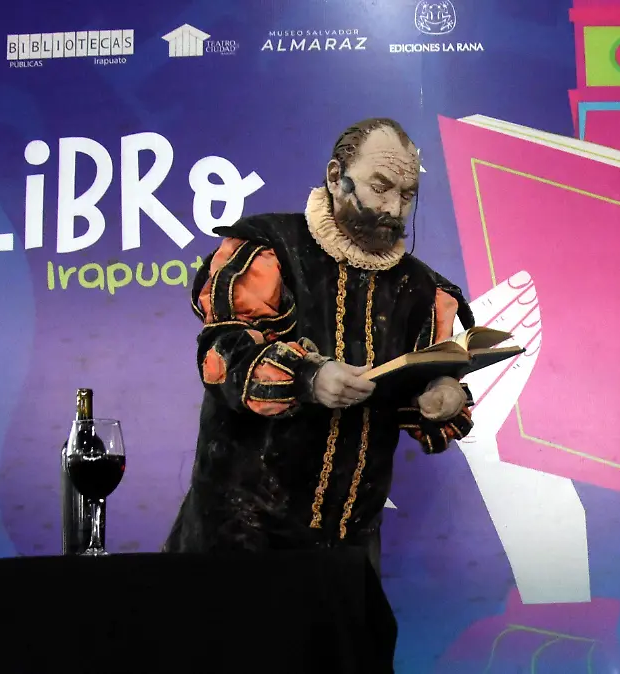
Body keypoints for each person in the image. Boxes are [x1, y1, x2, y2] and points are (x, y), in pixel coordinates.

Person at [164, 118, 475, 571]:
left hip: (351, 547)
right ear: (335, 176)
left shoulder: (422, 289)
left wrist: (440, 398)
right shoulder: (269, 248)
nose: (393, 208)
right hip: (240, 539)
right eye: (380, 187)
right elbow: (223, 356)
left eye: (407, 195)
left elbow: (419, 387)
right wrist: (308, 376)